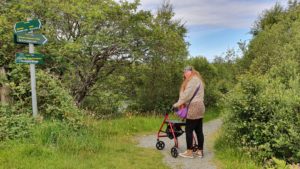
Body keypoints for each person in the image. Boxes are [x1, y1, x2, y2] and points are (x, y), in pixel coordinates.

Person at [173, 66, 205, 158]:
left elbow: (186, 95)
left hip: (194, 107)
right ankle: (200, 151)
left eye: (185, 72)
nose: (184, 74)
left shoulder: (193, 80)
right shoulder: (198, 80)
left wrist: (177, 104)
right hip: (200, 106)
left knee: (188, 130)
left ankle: (189, 152)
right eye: (184, 72)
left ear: (190, 71)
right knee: (199, 130)